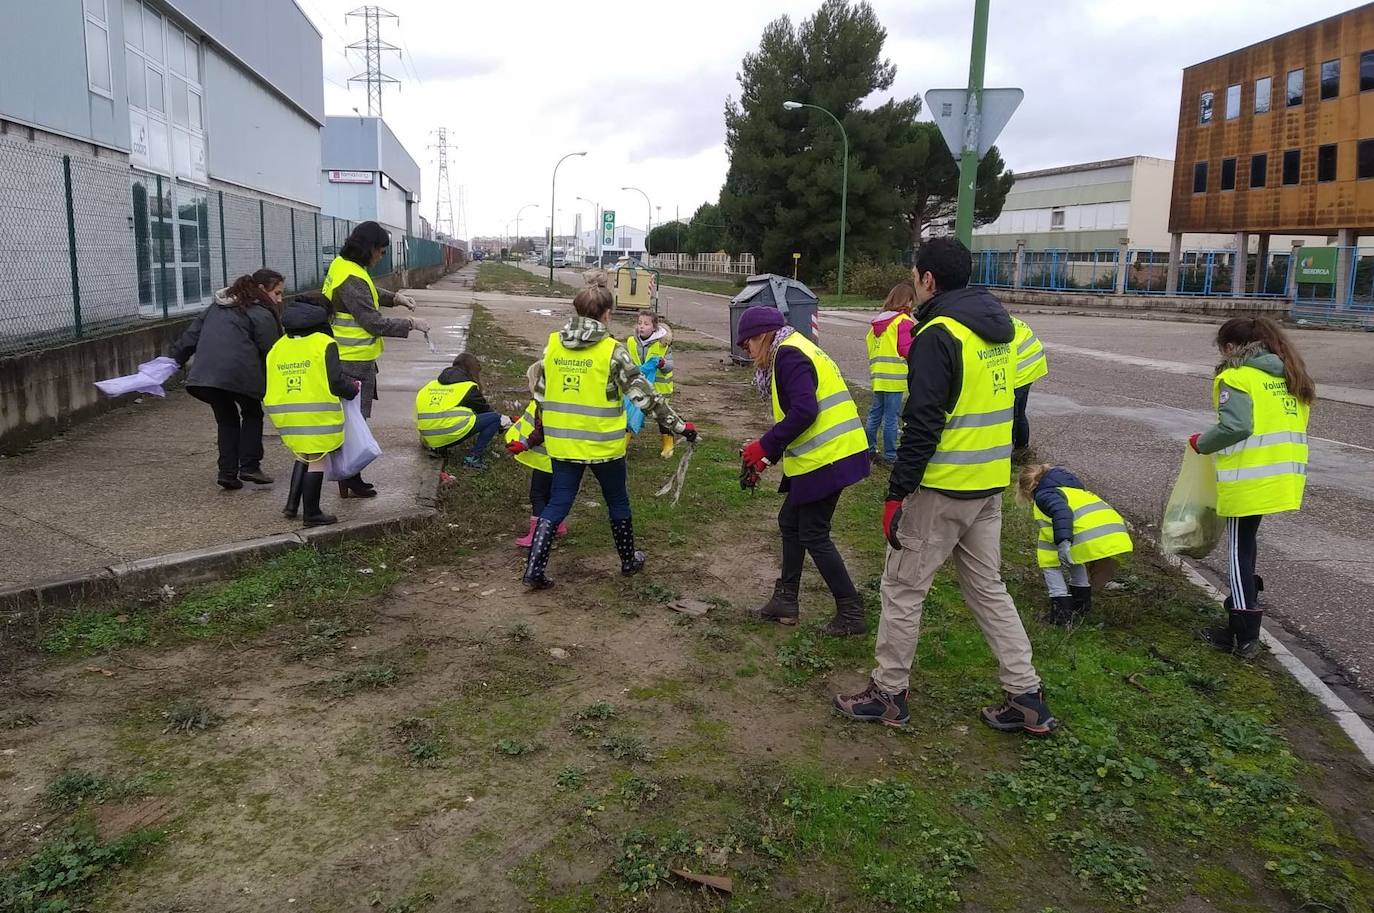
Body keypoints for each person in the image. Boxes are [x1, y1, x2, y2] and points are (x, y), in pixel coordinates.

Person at [833, 237, 1058, 735]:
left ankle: (889, 694)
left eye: (916, 275)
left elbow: (924, 422)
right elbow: (1015, 409)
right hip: (987, 487)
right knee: (988, 588)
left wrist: (897, 493)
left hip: (941, 488)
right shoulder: (1001, 330)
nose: (915, 284)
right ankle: (1026, 695)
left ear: (928, 279)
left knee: (902, 588)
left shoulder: (939, 333)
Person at [518, 271, 698, 589]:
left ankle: (534, 568)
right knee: (617, 499)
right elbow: (645, 398)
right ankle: (628, 560)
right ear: (606, 315)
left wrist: (541, 432)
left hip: (564, 445)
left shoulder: (553, 347)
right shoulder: (612, 352)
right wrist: (680, 427)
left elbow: (540, 395)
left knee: (558, 501)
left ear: (577, 312)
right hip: (604, 446)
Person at [739, 307, 872, 635]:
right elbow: (796, 417)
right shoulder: (792, 348)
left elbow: (804, 411)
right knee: (791, 522)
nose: (746, 351)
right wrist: (767, 457)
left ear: (762, 336)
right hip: (827, 455)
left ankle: (851, 612)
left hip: (829, 457)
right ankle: (786, 599)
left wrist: (764, 446)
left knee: (813, 531)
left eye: (747, 344)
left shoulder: (787, 356)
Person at [1189, 316, 1313, 660]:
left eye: (1222, 349)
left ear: (1231, 348)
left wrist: (1202, 443)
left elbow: (1236, 427)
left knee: (1237, 553)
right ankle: (1239, 620)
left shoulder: (1238, 378)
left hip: (1248, 480)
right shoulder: (1290, 378)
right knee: (1246, 547)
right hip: (1281, 478)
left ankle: (1244, 635)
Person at [322, 220, 428, 498]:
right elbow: (372, 321)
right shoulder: (351, 276)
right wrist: (410, 324)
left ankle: (350, 476)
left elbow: (367, 293)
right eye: (381, 251)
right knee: (354, 422)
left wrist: (395, 298)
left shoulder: (345, 267)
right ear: (369, 248)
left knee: (353, 420)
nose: (381, 257)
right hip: (351, 361)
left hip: (353, 358)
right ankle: (350, 475)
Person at [172, 269, 284, 490]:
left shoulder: (215, 307)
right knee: (252, 413)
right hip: (239, 375)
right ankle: (250, 466)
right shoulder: (260, 313)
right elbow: (272, 351)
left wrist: (172, 363)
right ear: (262, 289)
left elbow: (189, 338)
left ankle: (227, 473)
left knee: (227, 420)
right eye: (277, 293)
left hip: (205, 377)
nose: (279, 299)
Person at [265, 294, 359, 528]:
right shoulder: (323, 343)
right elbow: (335, 382)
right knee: (317, 460)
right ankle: (312, 513)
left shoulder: (278, 345)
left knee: (303, 455)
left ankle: (291, 505)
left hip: (285, 414)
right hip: (316, 413)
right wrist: (352, 390)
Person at [1017, 463, 1133, 626]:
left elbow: (1062, 513)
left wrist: (1064, 541)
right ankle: (1081, 610)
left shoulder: (1044, 494)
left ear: (1027, 489)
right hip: (1110, 531)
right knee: (1075, 559)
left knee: (1051, 567)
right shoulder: (1074, 491)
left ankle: (1061, 617)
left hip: (1088, 535)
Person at [505, 362, 568, 547]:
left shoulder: (542, 403)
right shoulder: (559, 400)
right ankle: (558, 525)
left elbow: (540, 431)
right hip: (558, 457)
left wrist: (523, 444)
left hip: (544, 460)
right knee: (552, 494)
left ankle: (537, 534)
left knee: (538, 495)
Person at [414, 353, 504, 470]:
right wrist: (504, 423)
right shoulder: (467, 387)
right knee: (494, 418)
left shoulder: (431, 385)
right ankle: (473, 458)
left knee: (445, 417)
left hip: (428, 438)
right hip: (445, 433)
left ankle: (439, 448)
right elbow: (485, 412)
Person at [864, 282, 918, 465]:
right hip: (895, 376)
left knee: (875, 414)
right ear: (907, 300)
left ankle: (869, 449)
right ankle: (890, 455)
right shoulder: (903, 321)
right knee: (891, 418)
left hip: (878, 375)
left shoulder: (878, 321)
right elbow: (906, 349)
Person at [625, 311, 677, 458]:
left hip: (659, 389)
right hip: (637, 386)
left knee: (661, 417)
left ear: (654, 327)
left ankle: (668, 443)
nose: (642, 326)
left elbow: (670, 365)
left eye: (646, 324)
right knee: (630, 415)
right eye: (640, 323)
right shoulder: (631, 342)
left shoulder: (663, 344)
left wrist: (662, 363)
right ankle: (623, 443)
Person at [1011, 316, 1047, 454]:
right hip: (1032, 361)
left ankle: (1011, 453)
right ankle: (1022, 448)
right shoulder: (995, 315)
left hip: (1023, 366)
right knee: (1019, 411)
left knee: (1009, 415)